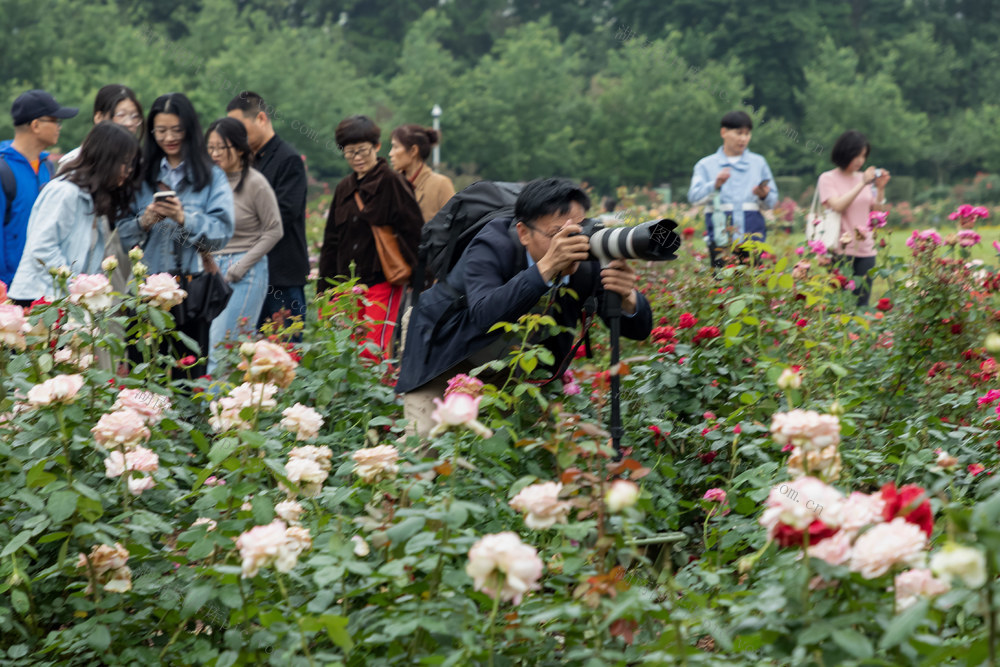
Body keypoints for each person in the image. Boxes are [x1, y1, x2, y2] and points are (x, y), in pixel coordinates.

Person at [396, 177, 654, 437]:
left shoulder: (586, 257)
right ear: (523, 232)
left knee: (514, 448)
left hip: (509, 369)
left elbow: (639, 330)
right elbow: (485, 315)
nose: (569, 241)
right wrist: (546, 268)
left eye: (578, 228)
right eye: (555, 234)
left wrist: (628, 298)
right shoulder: (493, 243)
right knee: (425, 440)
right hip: (443, 348)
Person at [117, 92, 234, 377]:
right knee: (144, 376)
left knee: (189, 379)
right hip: (145, 292)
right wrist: (144, 221)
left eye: (177, 130)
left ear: (190, 130)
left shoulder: (211, 176)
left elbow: (221, 234)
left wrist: (184, 218)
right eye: (161, 130)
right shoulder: (139, 174)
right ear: (151, 131)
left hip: (190, 291)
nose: (169, 137)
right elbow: (121, 235)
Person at [318, 115, 423, 360]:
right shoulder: (344, 188)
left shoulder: (392, 182)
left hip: (381, 280)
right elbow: (331, 241)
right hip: (345, 285)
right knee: (345, 353)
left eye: (362, 150)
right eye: (350, 152)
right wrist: (324, 290)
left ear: (376, 146)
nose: (357, 158)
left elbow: (414, 232)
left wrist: (421, 279)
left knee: (373, 351)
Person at [7, 122, 140, 301]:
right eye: (124, 162)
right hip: (41, 299)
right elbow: (42, 247)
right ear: (107, 159)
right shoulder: (65, 191)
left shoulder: (93, 197)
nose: (128, 171)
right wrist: (77, 286)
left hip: (66, 299)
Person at [204, 117, 283, 374]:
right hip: (212, 269)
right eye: (211, 147)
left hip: (244, 271)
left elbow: (274, 230)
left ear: (239, 149)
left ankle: (221, 401)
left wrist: (241, 266)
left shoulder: (255, 183)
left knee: (225, 351)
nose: (215, 154)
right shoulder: (209, 183)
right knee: (210, 349)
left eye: (221, 147)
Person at [226, 92, 309, 335]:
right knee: (244, 349)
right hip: (248, 275)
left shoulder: (288, 160)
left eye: (240, 129)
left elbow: (284, 213)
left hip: (279, 277)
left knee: (283, 349)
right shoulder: (244, 163)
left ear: (261, 118)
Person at [1, 89, 79, 287]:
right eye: (55, 121)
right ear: (35, 125)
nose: (59, 127)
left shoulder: (47, 166)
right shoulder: (3, 169)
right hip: (9, 289)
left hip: (41, 286)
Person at [687, 110, 778, 267]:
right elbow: (694, 197)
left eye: (747, 134)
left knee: (753, 280)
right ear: (724, 132)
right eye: (738, 133)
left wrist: (763, 195)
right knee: (722, 281)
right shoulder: (705, 165)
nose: (743, 138)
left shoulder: (758, 163)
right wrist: (714, 185)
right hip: (720, 241)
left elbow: (772, 201)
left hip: (752, 240)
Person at [818, 130, 891, 308]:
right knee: (838, 304)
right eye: (856, 155)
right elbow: (838, 205)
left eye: (863, 156)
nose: (860, 161)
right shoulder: (828, 178)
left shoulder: (864, 179)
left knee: (862, 303)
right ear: (844, 153)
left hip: (866, 249)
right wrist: (862, 184)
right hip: (840, 249)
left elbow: (876, 211)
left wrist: (880, 189)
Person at [58, 85, 143, 172]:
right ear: (99, 117)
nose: (129, 123)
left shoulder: (141, 163)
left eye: (135, 116)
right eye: (121, 115)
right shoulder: (73, 163)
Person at [388, 124, 455, 222]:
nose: (390, 153)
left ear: (413, 150)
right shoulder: (392, 185)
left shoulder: (441, 185)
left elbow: (454, 225)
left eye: (395, 147)